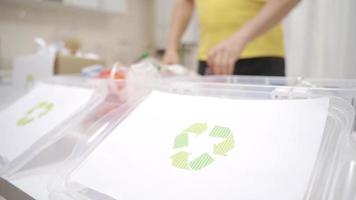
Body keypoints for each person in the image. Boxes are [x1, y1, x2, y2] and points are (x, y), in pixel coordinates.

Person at [162, 0, 300, 76]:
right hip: (209, 60)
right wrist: (171, 48)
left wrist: (240, 38)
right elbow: (186, 2)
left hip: (258, 59)